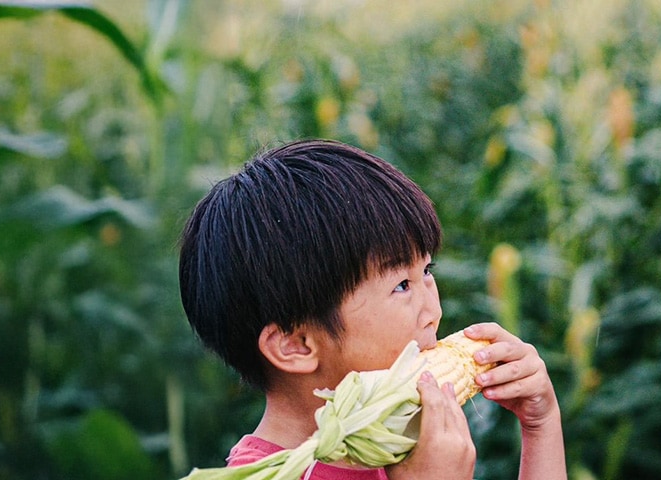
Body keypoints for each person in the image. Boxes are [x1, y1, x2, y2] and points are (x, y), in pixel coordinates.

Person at [178, 139, 566, 480]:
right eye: (401, 285)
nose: (433, 310)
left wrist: (541, 425)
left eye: (427, 270)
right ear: (297, 344)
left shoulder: (390, 442)